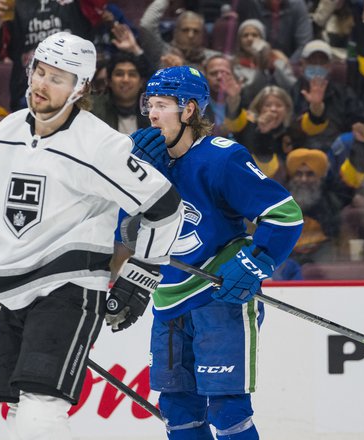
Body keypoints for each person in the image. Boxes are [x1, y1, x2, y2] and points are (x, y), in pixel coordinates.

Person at [0, 32, 185, 440]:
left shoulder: (100, 145)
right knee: (15, 406)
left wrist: (141, 273)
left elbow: (165, 207)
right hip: (12, 292)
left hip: (68, 290)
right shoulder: (5, 130)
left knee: (42, 410)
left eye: (58, 78)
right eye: (39, 72)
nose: (42, 84)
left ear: (81, 87)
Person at [125, 66, 303, 439]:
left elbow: (283, 215)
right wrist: (134, 178)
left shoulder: (222, 159)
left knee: (227, 409)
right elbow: (124, 236)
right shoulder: (137, 163)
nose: (152, 114)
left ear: (189, 110)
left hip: (220, 294)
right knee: (177, 410)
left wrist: (256, 261)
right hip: (168, 299)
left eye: (162, 105)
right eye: (149, 105)